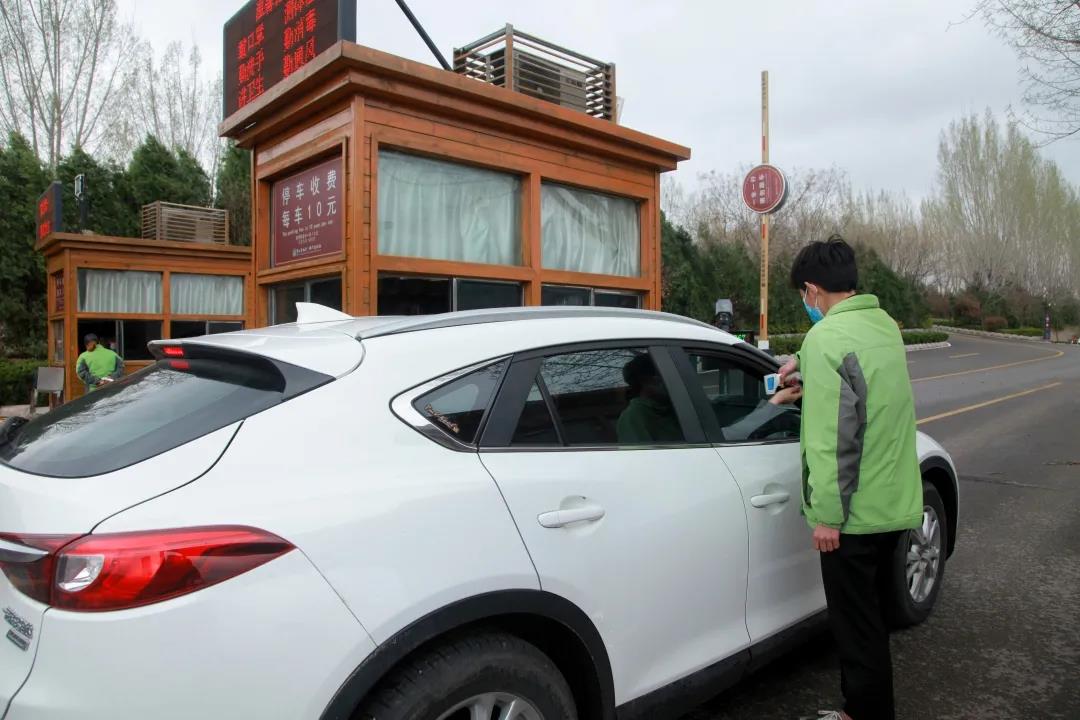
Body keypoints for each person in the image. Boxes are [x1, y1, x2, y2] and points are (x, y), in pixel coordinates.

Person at [780, 235, 922, 720]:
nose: (806, 303)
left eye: (804, 294)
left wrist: (827, 516)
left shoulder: (824, 340)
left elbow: (832, 440)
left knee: (856, 628)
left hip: (853, 517)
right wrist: (806, 368)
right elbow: (863, 383)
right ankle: (867, 708)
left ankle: (862, 713)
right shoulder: (884, 326)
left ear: (813, 289)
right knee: (872, 619)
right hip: (893, 504)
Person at [616, 354, 682, 443]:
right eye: (662, 376)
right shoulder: (633, 417)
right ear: (646, 381)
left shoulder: (676, 406)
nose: (670, 381)